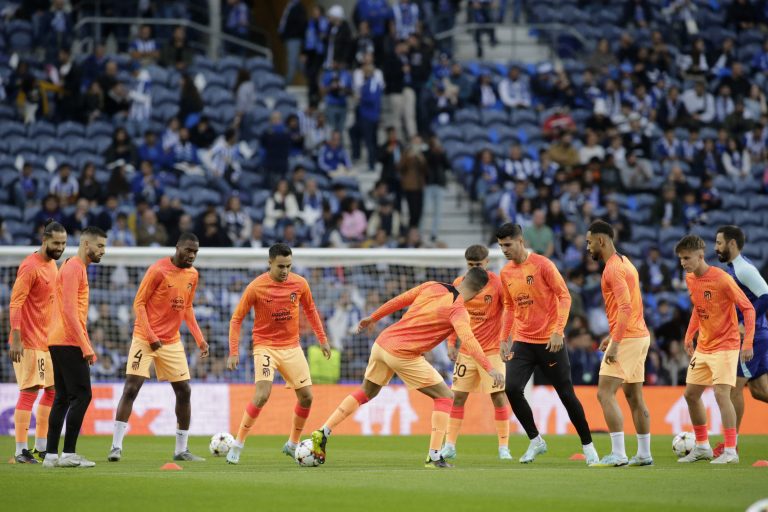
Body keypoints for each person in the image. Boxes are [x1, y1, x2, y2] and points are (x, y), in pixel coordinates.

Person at [309, 266, 503, 468]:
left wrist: (373, 317)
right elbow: (469, 340)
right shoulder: (459, 310)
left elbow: (401, 300)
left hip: (382, 342)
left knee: (366, 392)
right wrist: (490, 368)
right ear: (480, 291)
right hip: (403, 353)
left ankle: (323, 431)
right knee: (446, 397)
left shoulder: (432, 286)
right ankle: (435, 456)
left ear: (462, 279)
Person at [495, 223, 599, 465]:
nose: (504, 250)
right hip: (522, 341)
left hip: (549, 342)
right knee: (511, 388)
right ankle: (536, 441)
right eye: (501, 246)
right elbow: (509, 306)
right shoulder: (506, 272)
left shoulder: (543, 264)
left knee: (566, 394)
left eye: (508, 245)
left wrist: (557, 331)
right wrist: (504, 338)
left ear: (521, 241)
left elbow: (564, 296)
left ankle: (589, 447)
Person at [108, 233, 209, 462]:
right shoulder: (158, 270)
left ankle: (181, 450)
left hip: (171, 341)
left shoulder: (193, 275)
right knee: (131, 389)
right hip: (145, 337)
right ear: (177, 247)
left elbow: (188, 308)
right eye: (188, 250)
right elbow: (139, 303)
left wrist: (199, 338)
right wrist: (151, 335)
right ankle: (115, 447)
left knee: (184, 391)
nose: (192, 255)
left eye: (195, 252)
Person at [225, 243, 331, 464]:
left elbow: (311, 311)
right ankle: (238, 444)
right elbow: (236, 319)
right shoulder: (256, 287)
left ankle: (292, 444)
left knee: (307, 397)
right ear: (270, 263)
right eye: (281, 266)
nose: (285, 271)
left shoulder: (300, 283)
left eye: (289, 266)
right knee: (262, 394)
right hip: (265, 347)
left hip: (292, 347)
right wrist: (234, 351)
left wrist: (323, 339)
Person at [675, 235, 755, 465]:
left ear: (701, 255)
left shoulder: (722, 279)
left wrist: (747, 342)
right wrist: (690, 333)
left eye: (687, 258)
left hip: (726, 345)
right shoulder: (690, 279)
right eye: (681, 259)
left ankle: (731, 450)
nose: (683, 263)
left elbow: (748, 309)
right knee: (691, 394)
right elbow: (699, 308)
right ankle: (702, 447)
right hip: (704, 346)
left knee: (722, 394)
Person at [585, 220, 653, 467]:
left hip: (628, 338)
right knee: (634, 396)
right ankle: (644, 454)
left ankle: (619, 454)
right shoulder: (626, 263)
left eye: (589, 241)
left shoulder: (612, 269)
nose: (588, 247)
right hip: (639, 335)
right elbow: (630, 306)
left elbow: (625, 307)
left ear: (601, 240)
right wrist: (612, 334)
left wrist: (616, 342)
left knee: (605, 393)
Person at [440, 245, 512, 461]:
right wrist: (451, 343)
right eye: (471, 265)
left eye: (478, 265)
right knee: (457, 397)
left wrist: (507, 341)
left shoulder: (498, 284)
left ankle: (503, 447)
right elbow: (452, 315)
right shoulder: (459, 284)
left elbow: (509, 312)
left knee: (498, 396)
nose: (475, 268)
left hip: (491, 351)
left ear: (487, 263)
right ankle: (450, 445)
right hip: (467, 352)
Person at [43, 226, 107, 468]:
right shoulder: (73, 268)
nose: (103, 251)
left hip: (60, 339)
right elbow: (70, 311)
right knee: (82, 395)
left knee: (61, 398)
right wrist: (85, 345)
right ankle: (68, 453)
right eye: (99, 246)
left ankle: (51, 455)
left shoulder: (75, 267)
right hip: (68, 341)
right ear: (85, 244)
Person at [8, 221, 67, 463]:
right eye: (56, 243)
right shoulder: (30, 267)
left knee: (52, 392)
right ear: (44, 240)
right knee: (29, 392)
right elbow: (16, 303)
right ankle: (20, 450)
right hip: (29, 341)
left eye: (63, 243)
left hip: (47, 342)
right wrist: (15, 338)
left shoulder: (53, 265)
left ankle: (41, 447)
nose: (60, 248)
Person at [712, 226, 768, 457]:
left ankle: (730, 445)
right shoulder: (735, 268)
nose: (716, 248)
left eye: (719, 243)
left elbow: (766, 294)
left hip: (753, 339)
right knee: (759, 391)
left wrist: (747, 322)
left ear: (732, 244)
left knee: (734, 388)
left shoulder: (744, 269)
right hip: (758, 336)